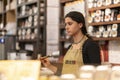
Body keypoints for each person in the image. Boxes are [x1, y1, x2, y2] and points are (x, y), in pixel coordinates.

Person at [40, 11, 101, 77]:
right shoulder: (70, 47)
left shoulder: (90, 45)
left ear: (80, 25)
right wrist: (49, 66)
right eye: (66, 24)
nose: (66, 27)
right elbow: (64, 73)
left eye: (70, 24)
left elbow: (97, 74)